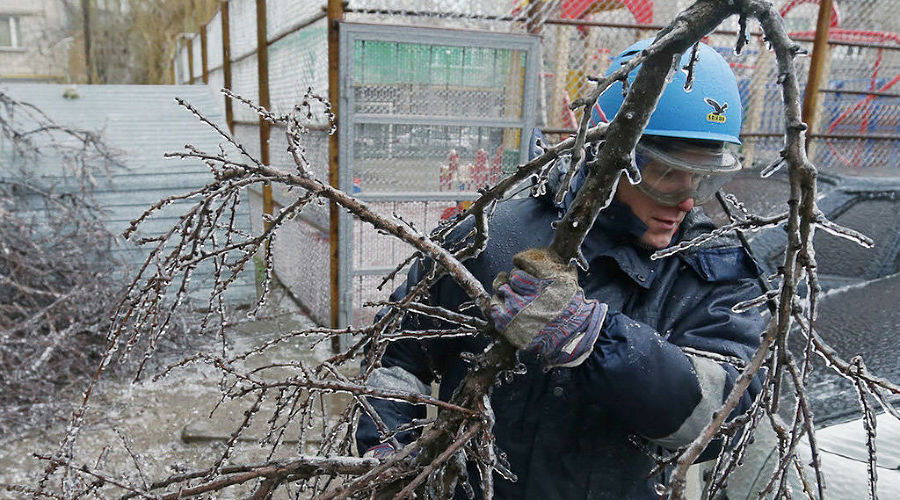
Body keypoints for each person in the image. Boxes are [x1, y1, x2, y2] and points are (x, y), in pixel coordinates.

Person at [356, 38, 765, 499]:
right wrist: (392, 458)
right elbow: (396, 357)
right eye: (666, 174)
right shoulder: (495, 238)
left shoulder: (711, 270)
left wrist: (596, 339)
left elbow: (723, 417)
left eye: (704, 177)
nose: (687, 200)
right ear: (610, 150)